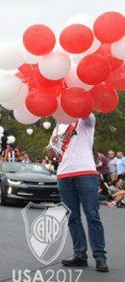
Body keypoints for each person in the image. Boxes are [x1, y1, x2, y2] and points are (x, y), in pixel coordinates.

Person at [46, 114, 108, 272]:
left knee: (92, 214)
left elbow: (85, 108)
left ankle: (100, 256)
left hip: (85, 172)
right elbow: (51, 154)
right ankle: (79, 254)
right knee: (72, 217)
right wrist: (51, 145)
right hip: (64, 174)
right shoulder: (58, 126)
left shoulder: (86, 119)